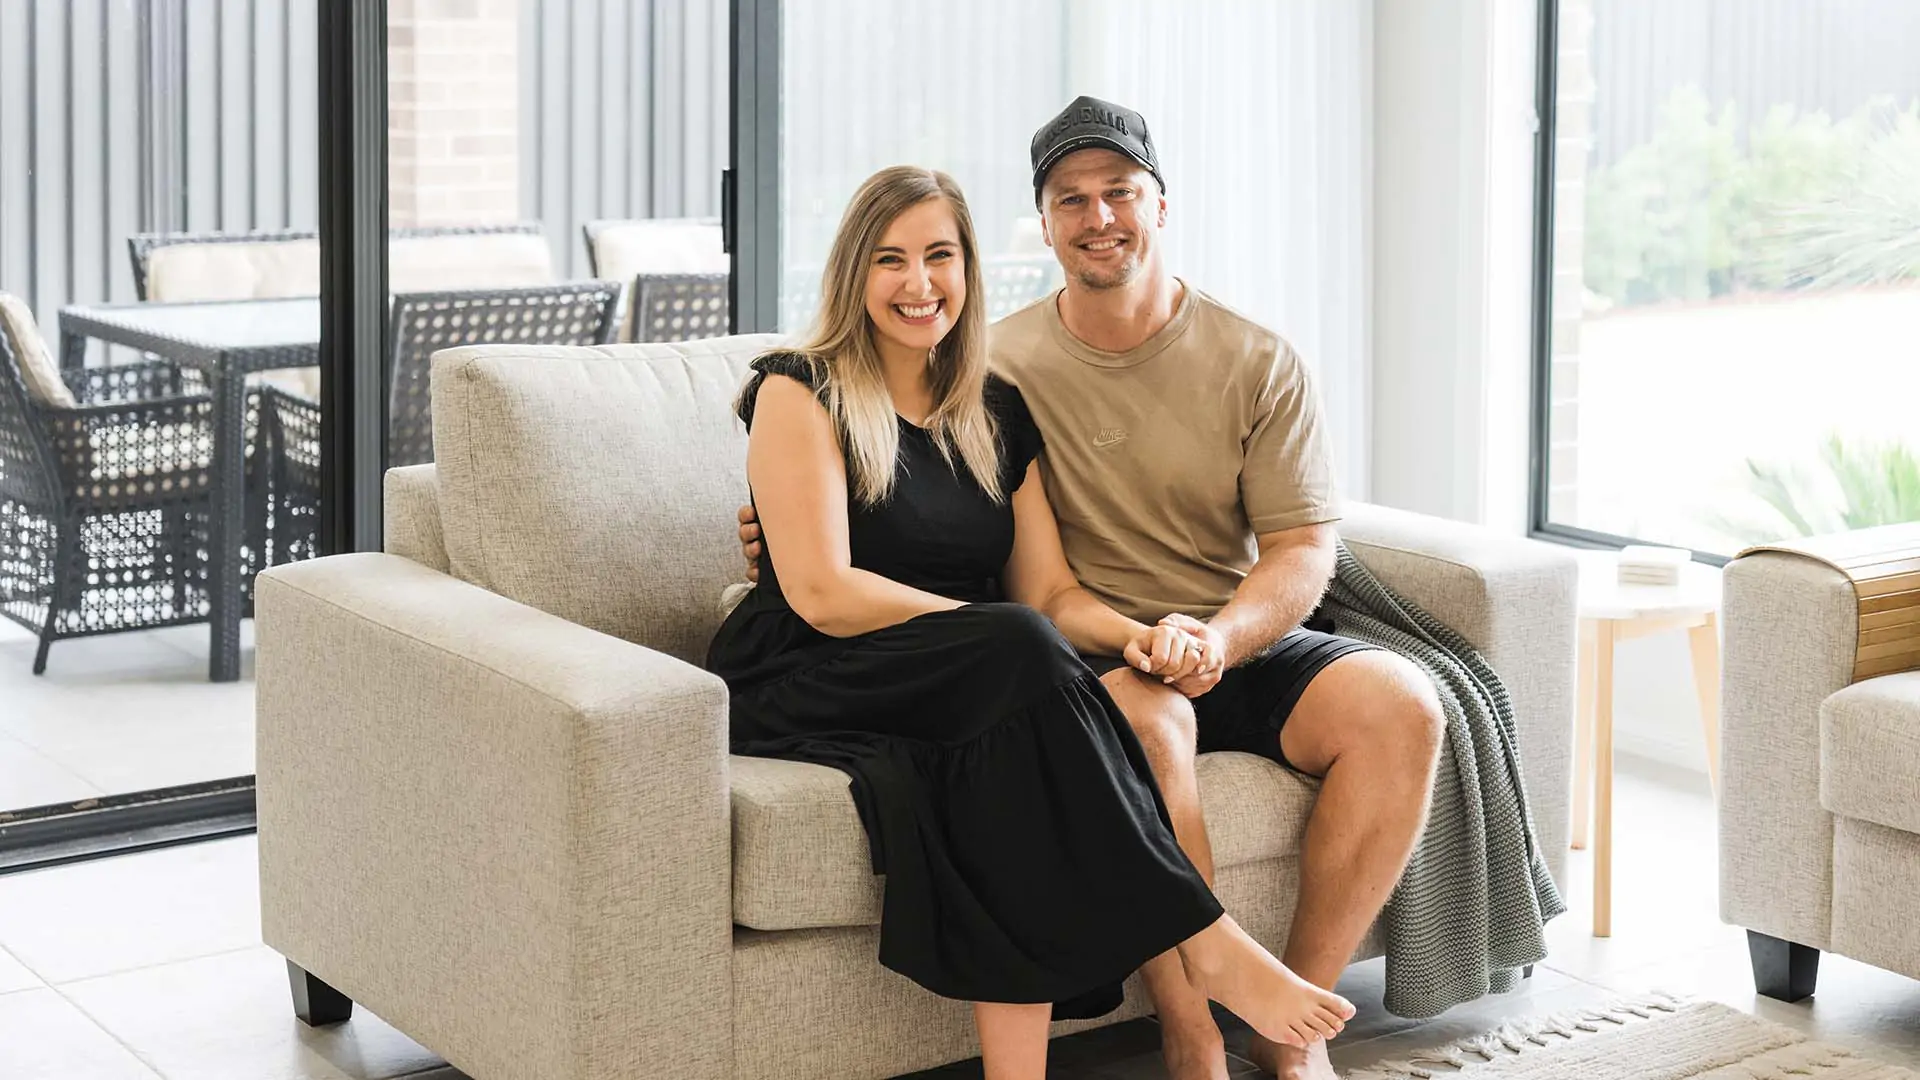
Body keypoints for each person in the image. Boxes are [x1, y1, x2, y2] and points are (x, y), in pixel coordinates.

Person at [739, 100, 1447, 1080]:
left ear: (1161, 205)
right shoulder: (822, 382)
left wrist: (1165, 636)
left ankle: (1281, 1045)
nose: (917, 283)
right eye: (890, 259)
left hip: (1099, 648)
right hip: (861, 664)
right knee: (1041, 660)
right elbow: (823, 587)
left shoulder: (993, 400)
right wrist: (994, 626)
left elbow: (1062, 589)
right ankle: (1205, 985)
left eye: (940, 257)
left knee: (1396, 704)